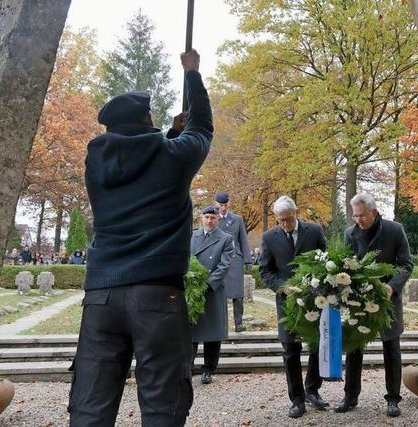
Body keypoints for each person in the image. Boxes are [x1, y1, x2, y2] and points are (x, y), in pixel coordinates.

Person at [68, 49, 213, 427]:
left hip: (101, 294)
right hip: (156, 294)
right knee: (162, 399)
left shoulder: (95, 162)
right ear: (147, 118)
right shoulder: (172, 156)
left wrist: (170, 135)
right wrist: (193, 76)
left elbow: (142, 162)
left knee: (91, 401)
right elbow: (204, 131)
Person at [335, 193, 413, 418]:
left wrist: (391, 287)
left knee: (391, 348)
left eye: (361, 215)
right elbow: (346, 266)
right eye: (354, 215)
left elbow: (406, 264)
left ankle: (393, 399)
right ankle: (350, 396)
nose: (357, 219)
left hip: (388, 299)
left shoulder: (395, 230)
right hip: (358, 300)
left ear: (374, 212)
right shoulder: (349, 233)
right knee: (354, 349)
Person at [259, 196, 328, 418]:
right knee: (290, 349)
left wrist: (320, 283)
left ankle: (313, 389)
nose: (286, 225)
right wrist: (283, 287)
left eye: (288, 219)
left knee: (316, 345)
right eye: (281, 221)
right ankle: (296, 399)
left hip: (314, 298)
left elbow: (326, 260)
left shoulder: (314, 231)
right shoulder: (269, 237)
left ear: (296, 212)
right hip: (287, 303)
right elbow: (266, 271)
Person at [190, 206, 235, 386]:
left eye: (213, 218)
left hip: (212, 290)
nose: (209, 221)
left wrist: (207, 284)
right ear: (201, 218)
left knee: (213, 333)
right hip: (192, 290)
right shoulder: (191, 237)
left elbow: (224, 266)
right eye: (207, 217)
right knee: (190, 331)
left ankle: (208, 369)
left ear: (218, 219)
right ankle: (187, 366)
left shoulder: (226, 239)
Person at [215, 192, 253, 332]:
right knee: (219, 293)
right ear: (216, 204)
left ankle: (238, 323)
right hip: (217, 260)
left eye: (225, 205)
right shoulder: (212, 218)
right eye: (220, 205)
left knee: (238, 293)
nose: (223, 208)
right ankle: (221, 323)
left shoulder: (237, 219)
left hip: (234, 259)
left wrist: (248, 259)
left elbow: (243, 240)